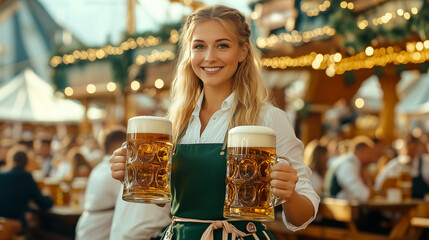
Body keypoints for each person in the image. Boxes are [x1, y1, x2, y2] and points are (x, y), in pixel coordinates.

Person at [110, 5, 319, 239]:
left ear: (242, 52)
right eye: (199, 46)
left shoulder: (268, 118)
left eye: (222, 45)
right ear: (189, 54)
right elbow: (169, 201)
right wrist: (131, 176)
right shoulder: (175, 122)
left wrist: (289, 194)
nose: (209, 57)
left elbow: (302, 217)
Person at [75, 126, 127, 240]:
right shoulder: (116, 172)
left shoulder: (99, 168)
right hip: (98, 231)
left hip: (86, 226)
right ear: (122, 145)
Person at [0, 145, 53, 232]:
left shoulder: (1, 175)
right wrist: (48, 196)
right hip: (17, 227)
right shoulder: (26, 177)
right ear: (27, 161)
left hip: (2, 226)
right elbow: (43, 203)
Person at [374, 135, 429, 199]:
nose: (410, 154)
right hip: (400, 206)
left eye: (413, 150)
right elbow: (378, 184)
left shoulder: (425, 163)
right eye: (408, 150)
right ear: (403, 149)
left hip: (421, 206)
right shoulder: (395, 164)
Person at [324, 136, 376, 201]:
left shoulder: (348, 162)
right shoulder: (348, 166)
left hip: (344, 207)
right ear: (363, 151)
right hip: (341, 209)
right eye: (370, 153)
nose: (372, 158)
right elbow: (365, 196)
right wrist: (367, 178)